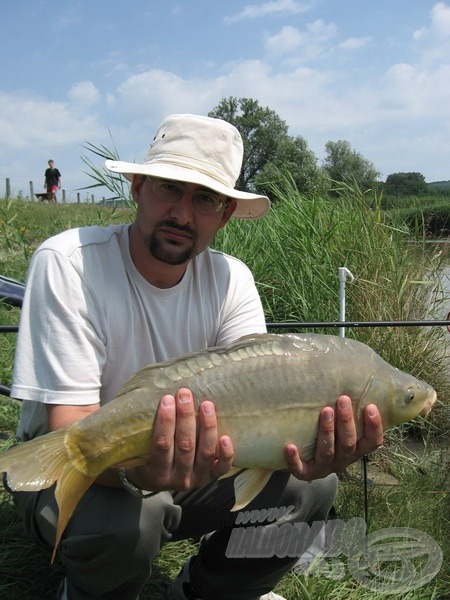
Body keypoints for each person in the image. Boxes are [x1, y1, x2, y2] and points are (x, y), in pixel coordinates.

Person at [9, 114, 383, 600]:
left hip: (195, 462)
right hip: (75, 460)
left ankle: (207, 590)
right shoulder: (68, 263)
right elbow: (72, 430)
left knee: (310, 490)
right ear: (138, 188)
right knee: (130, 520)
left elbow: (261, 401)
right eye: (170, 188)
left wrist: (309, 446)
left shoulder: (233, 280)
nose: (184, 214)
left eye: (204, 199)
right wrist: (139, 471)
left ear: (225, 213)